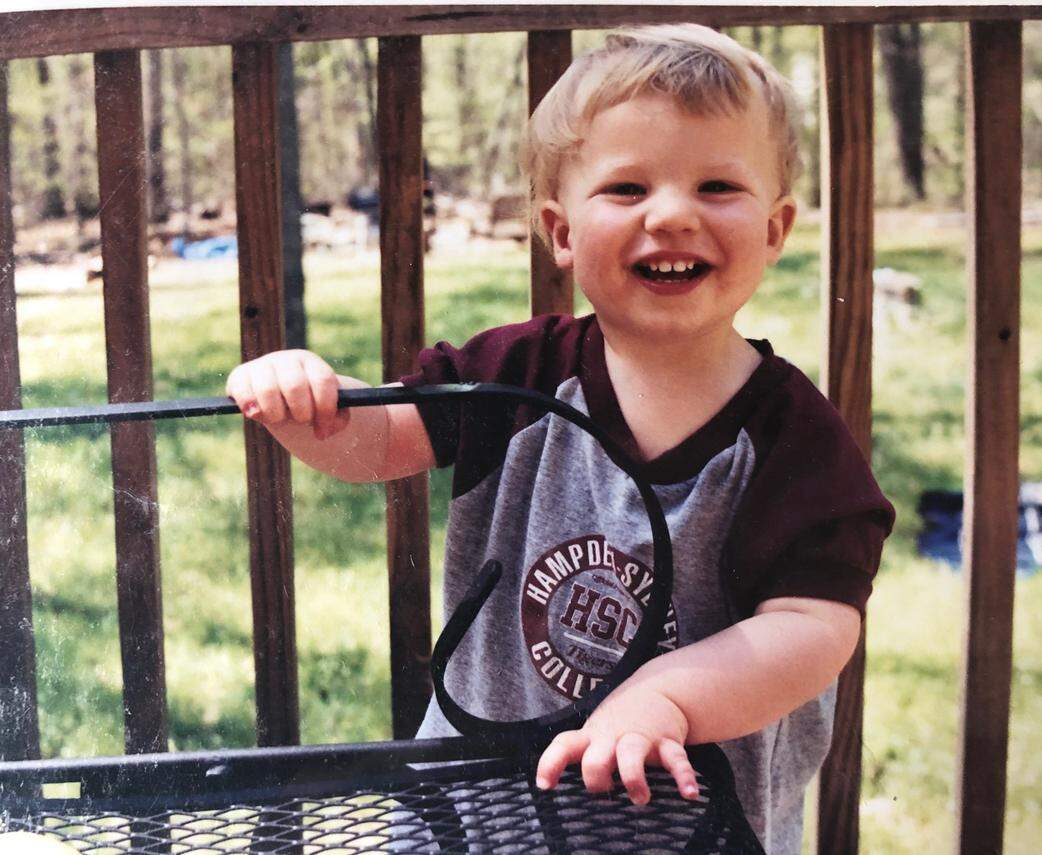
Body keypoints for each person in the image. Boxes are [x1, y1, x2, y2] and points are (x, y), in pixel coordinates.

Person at [226, 24, 894, 854]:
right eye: (626, 188)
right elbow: (381, 442)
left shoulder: (792, 437)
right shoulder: (522, 371)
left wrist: (670, 698)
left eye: (718, 184)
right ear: (562, 230)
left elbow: (814, 626)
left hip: (682, 821)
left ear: (775, 228)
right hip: (474, 808)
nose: (674, 213)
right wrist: (310, 405)